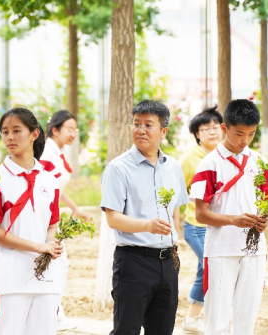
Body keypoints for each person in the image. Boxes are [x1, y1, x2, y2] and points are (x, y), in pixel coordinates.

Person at [100, 100, 188, 335]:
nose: (140, 130)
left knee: (162, 330)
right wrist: (147, 225)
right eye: (136, 124)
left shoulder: (173, 167)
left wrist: (173, 243)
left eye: (148, 125)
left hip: (169, 263)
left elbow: (176, 209)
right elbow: (113, 218)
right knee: (126, 330)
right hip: (134, 262)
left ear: (163, 131)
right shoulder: (118, 169)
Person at [190, 99, 268, 334]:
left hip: (255, 250)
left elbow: (267, 204)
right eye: (239, 134)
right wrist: (232, 220)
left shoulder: (260, 162)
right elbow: (201, 214)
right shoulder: (209, 164)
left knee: (247, 318)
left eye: (251, 134)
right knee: (217, 319)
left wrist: (266, 219)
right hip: (221, 250)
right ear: (225, 129)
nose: (244, 140)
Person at [0, 107, 63, 335]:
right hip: (9, 279)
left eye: (16, 130)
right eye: (5, 132)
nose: (9, 137)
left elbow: (52, 225)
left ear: (34, 134)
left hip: (45, 280)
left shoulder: (49, 180)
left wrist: (51, 246)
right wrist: (39, 247)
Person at [39, 109, 89, 331]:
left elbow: (56, 187)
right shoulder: (46, 153)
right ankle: (53, 314)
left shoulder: (56, 151)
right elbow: (41, 186)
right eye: (69, 129)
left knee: (57, 263)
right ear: (54, 129)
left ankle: (54, 312)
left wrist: (75, 209)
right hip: (44, 216)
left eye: (75, 130)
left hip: (53, 213)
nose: (73, 134)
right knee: (58, 263)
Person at [178, 106, 223, 333]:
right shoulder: (189, 159)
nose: (212, 132)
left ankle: (203, 318)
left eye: (215, 127)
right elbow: (175, 192)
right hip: (196, 226)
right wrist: (173, 228)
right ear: (197, 134)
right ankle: (192, 319)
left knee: (208, 268)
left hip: (220, 225)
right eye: (206, 129)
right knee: (208, 267)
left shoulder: (224, 155)